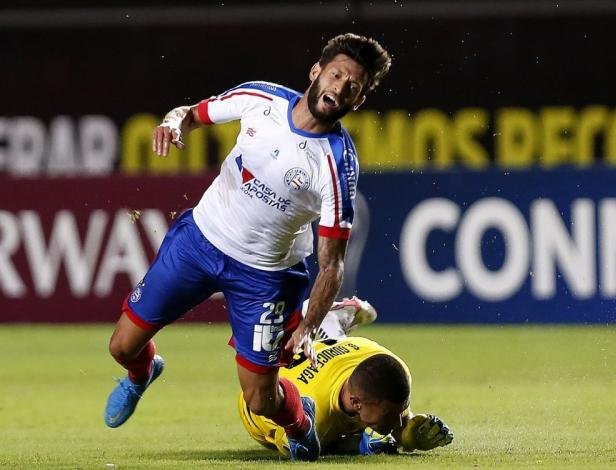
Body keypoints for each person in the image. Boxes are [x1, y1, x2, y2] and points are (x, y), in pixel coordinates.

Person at [104, 33, 391, 461]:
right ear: (317, 71)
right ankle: (143, 372)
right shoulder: (261, 99)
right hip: (200, 241)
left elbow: (331, 266)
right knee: (121, 347)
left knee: (260, 399)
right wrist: (171, 123)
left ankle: (301, 422)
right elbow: (190, 114)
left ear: (360, 99)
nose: (340, 88)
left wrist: (306, 328)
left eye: (354, 85)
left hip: (266, 276)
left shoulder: (336, 166)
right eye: (336, 75)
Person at [238, 305, 454, 457]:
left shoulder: (394, 369)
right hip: (261, 404)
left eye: (400, 412)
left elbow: (394, 412)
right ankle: (326, 320)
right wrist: (356, 445)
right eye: (391, 415)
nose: (398, 421)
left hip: (340, 352)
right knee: (315, 447)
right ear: (356, 402)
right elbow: (298, 449)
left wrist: (408, 434)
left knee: (373, 427)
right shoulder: (316, 412)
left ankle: (330, 321)